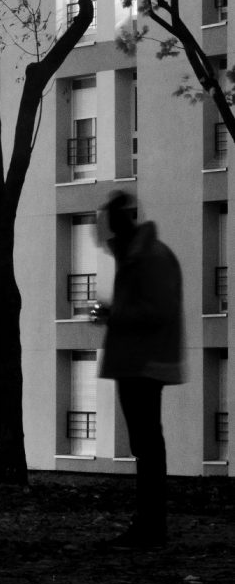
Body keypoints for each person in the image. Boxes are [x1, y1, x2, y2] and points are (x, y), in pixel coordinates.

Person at [94, 191, 185, 550]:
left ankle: (150, 527)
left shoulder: (147, 258)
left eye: (106, 227)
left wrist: (112, 315)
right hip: (141, 362)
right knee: (146, 446)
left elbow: (155, 312)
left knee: (147, 446)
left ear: (119, 224)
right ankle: (149, 525)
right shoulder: (144, 255)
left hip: (142, 363)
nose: (103, 238)